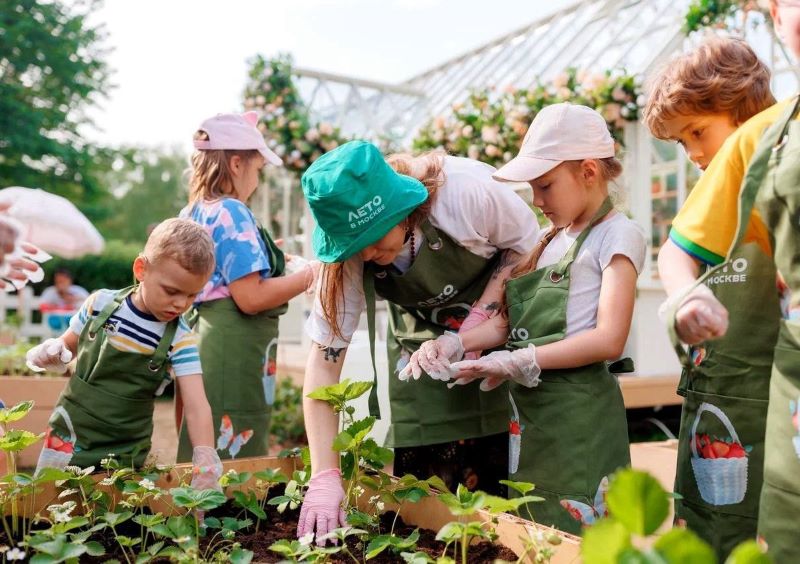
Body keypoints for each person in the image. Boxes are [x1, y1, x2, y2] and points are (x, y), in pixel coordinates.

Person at [407, 103, 646, 535]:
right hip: (531, 414)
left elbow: (610, 338)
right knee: (535, 528)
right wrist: (456, 343)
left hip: (580, 416)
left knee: (585, 536)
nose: (536, 201)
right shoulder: (546, 240)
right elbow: (507, 323)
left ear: (589, 171)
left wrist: (518, 360)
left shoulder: (617, 235)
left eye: (546, 186)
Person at [298, 140, 539, 543]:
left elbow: (528, 246)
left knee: (505, 503)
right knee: (429, 517)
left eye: (376, 238)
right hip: (422, 352)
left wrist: (480, 319)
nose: (370, 254)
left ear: (403, 208)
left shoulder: (464, 192)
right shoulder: (345, 262)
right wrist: (325, 474)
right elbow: (324, 362)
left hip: (501, 333)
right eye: (357, 247)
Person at [656, 2, 800, 558]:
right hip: (720, 394)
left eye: (696, 132)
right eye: (680, 143)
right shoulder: (740, 160)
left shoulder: (768, 143)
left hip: (773, 389)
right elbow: (676, 254)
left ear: (745, 111)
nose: (692, 154)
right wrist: (688, 296)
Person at [26, 218, 222, 490]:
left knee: (114, 520)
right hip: (70, 431)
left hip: (126, 447)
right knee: (48, 504)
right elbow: (67, 346)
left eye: (192, 296)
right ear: (141, 269)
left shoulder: (180, 337)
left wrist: (206, 458)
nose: (180, 303)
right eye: (172, 291)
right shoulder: (100, 304)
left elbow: (197, 405)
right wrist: (51, 352)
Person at [176, 112, 319, 463]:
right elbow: (250, 297)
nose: (257, 179)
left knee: (201, 444)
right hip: (232, 345)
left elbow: (224, 272)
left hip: (202, 339)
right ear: (237, 164)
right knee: (233, 451)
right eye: (257, 169)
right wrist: (312, 274)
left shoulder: (191, 212)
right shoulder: (232, 211)